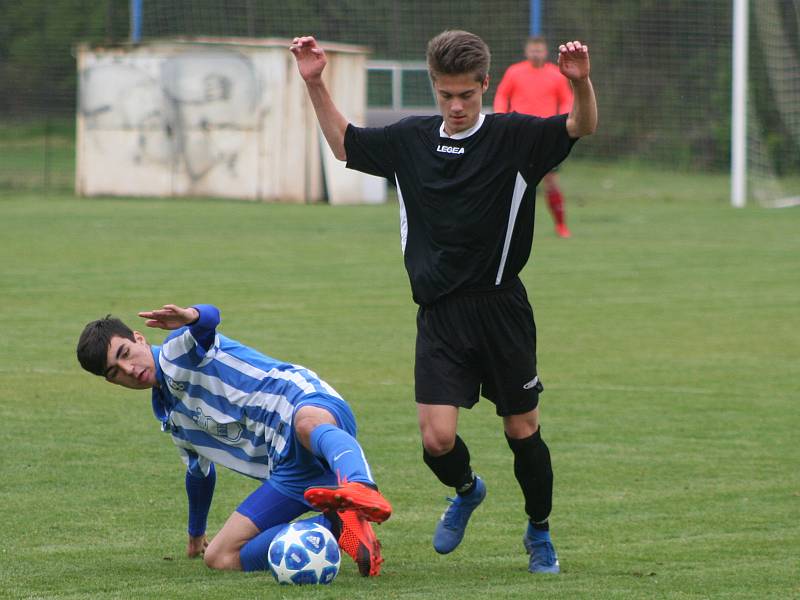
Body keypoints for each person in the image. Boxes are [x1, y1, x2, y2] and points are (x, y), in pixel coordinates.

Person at [290, 30, 596, 574]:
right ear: (433, 85)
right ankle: (467, 488)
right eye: (446, 94)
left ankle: (539, 533)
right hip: (439, 315)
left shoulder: (516, 138)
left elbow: (581, 126)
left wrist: (582, 84)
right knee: (436, 440)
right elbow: (345, 145)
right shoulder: (409, 140)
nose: (456, 106)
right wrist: (315, 83)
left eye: (467, 95)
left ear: (485, 85)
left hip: (501, 309)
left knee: (522, 431)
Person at [76, 303, 392, 577]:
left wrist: (191, 315)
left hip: (302, 403)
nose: (129, 369)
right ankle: (336, 526)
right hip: (288, 467)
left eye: (126, 354)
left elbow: (208, 320)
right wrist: (196, 534)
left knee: (307, 423)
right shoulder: (172, 419)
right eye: (115, 372)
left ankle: (360, 487)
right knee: (220, 558)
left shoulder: (177, 351)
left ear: (139, 338)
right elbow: (198, 474)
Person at [494, 36, 575, 238]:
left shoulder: (556, 74)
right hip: (518, 133)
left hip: (545, 134)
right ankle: (503, 227)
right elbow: (502, 95)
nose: (536, 53)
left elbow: (566, 99)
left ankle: (561, 226)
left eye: (540, 50)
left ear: (546, 52)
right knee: (509, 180)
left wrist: (561, 123)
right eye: (533, 50)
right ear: (526, 51)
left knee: (551, 181)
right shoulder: (514, 72)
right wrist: (501, 117)